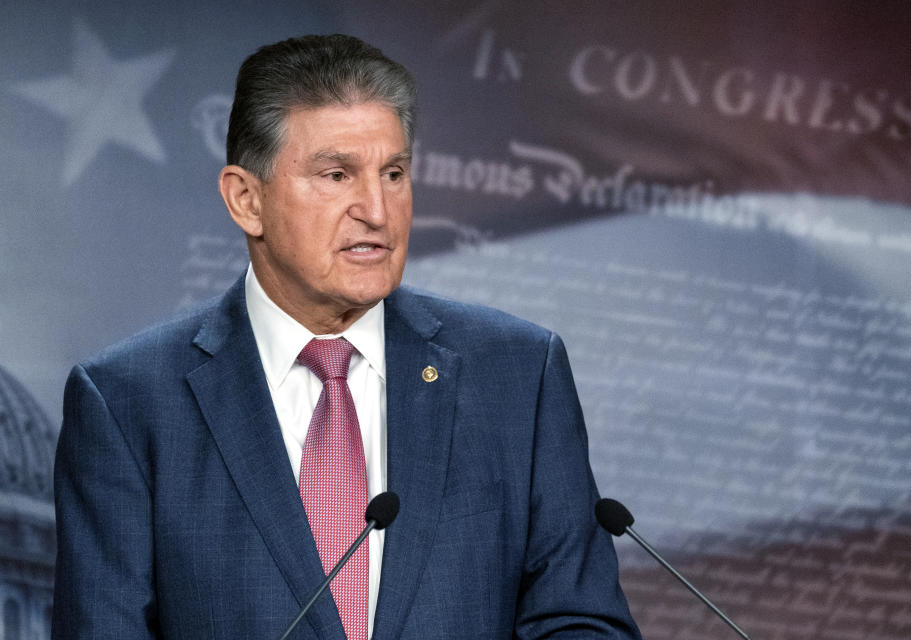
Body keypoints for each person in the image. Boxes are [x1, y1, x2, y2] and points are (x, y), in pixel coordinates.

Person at [52, 34, 641, 639]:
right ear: (246, 200)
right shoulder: (128, 403)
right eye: (336, 174)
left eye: (393, 173)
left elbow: (579, 621)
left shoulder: (518, 374)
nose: (378, 210)